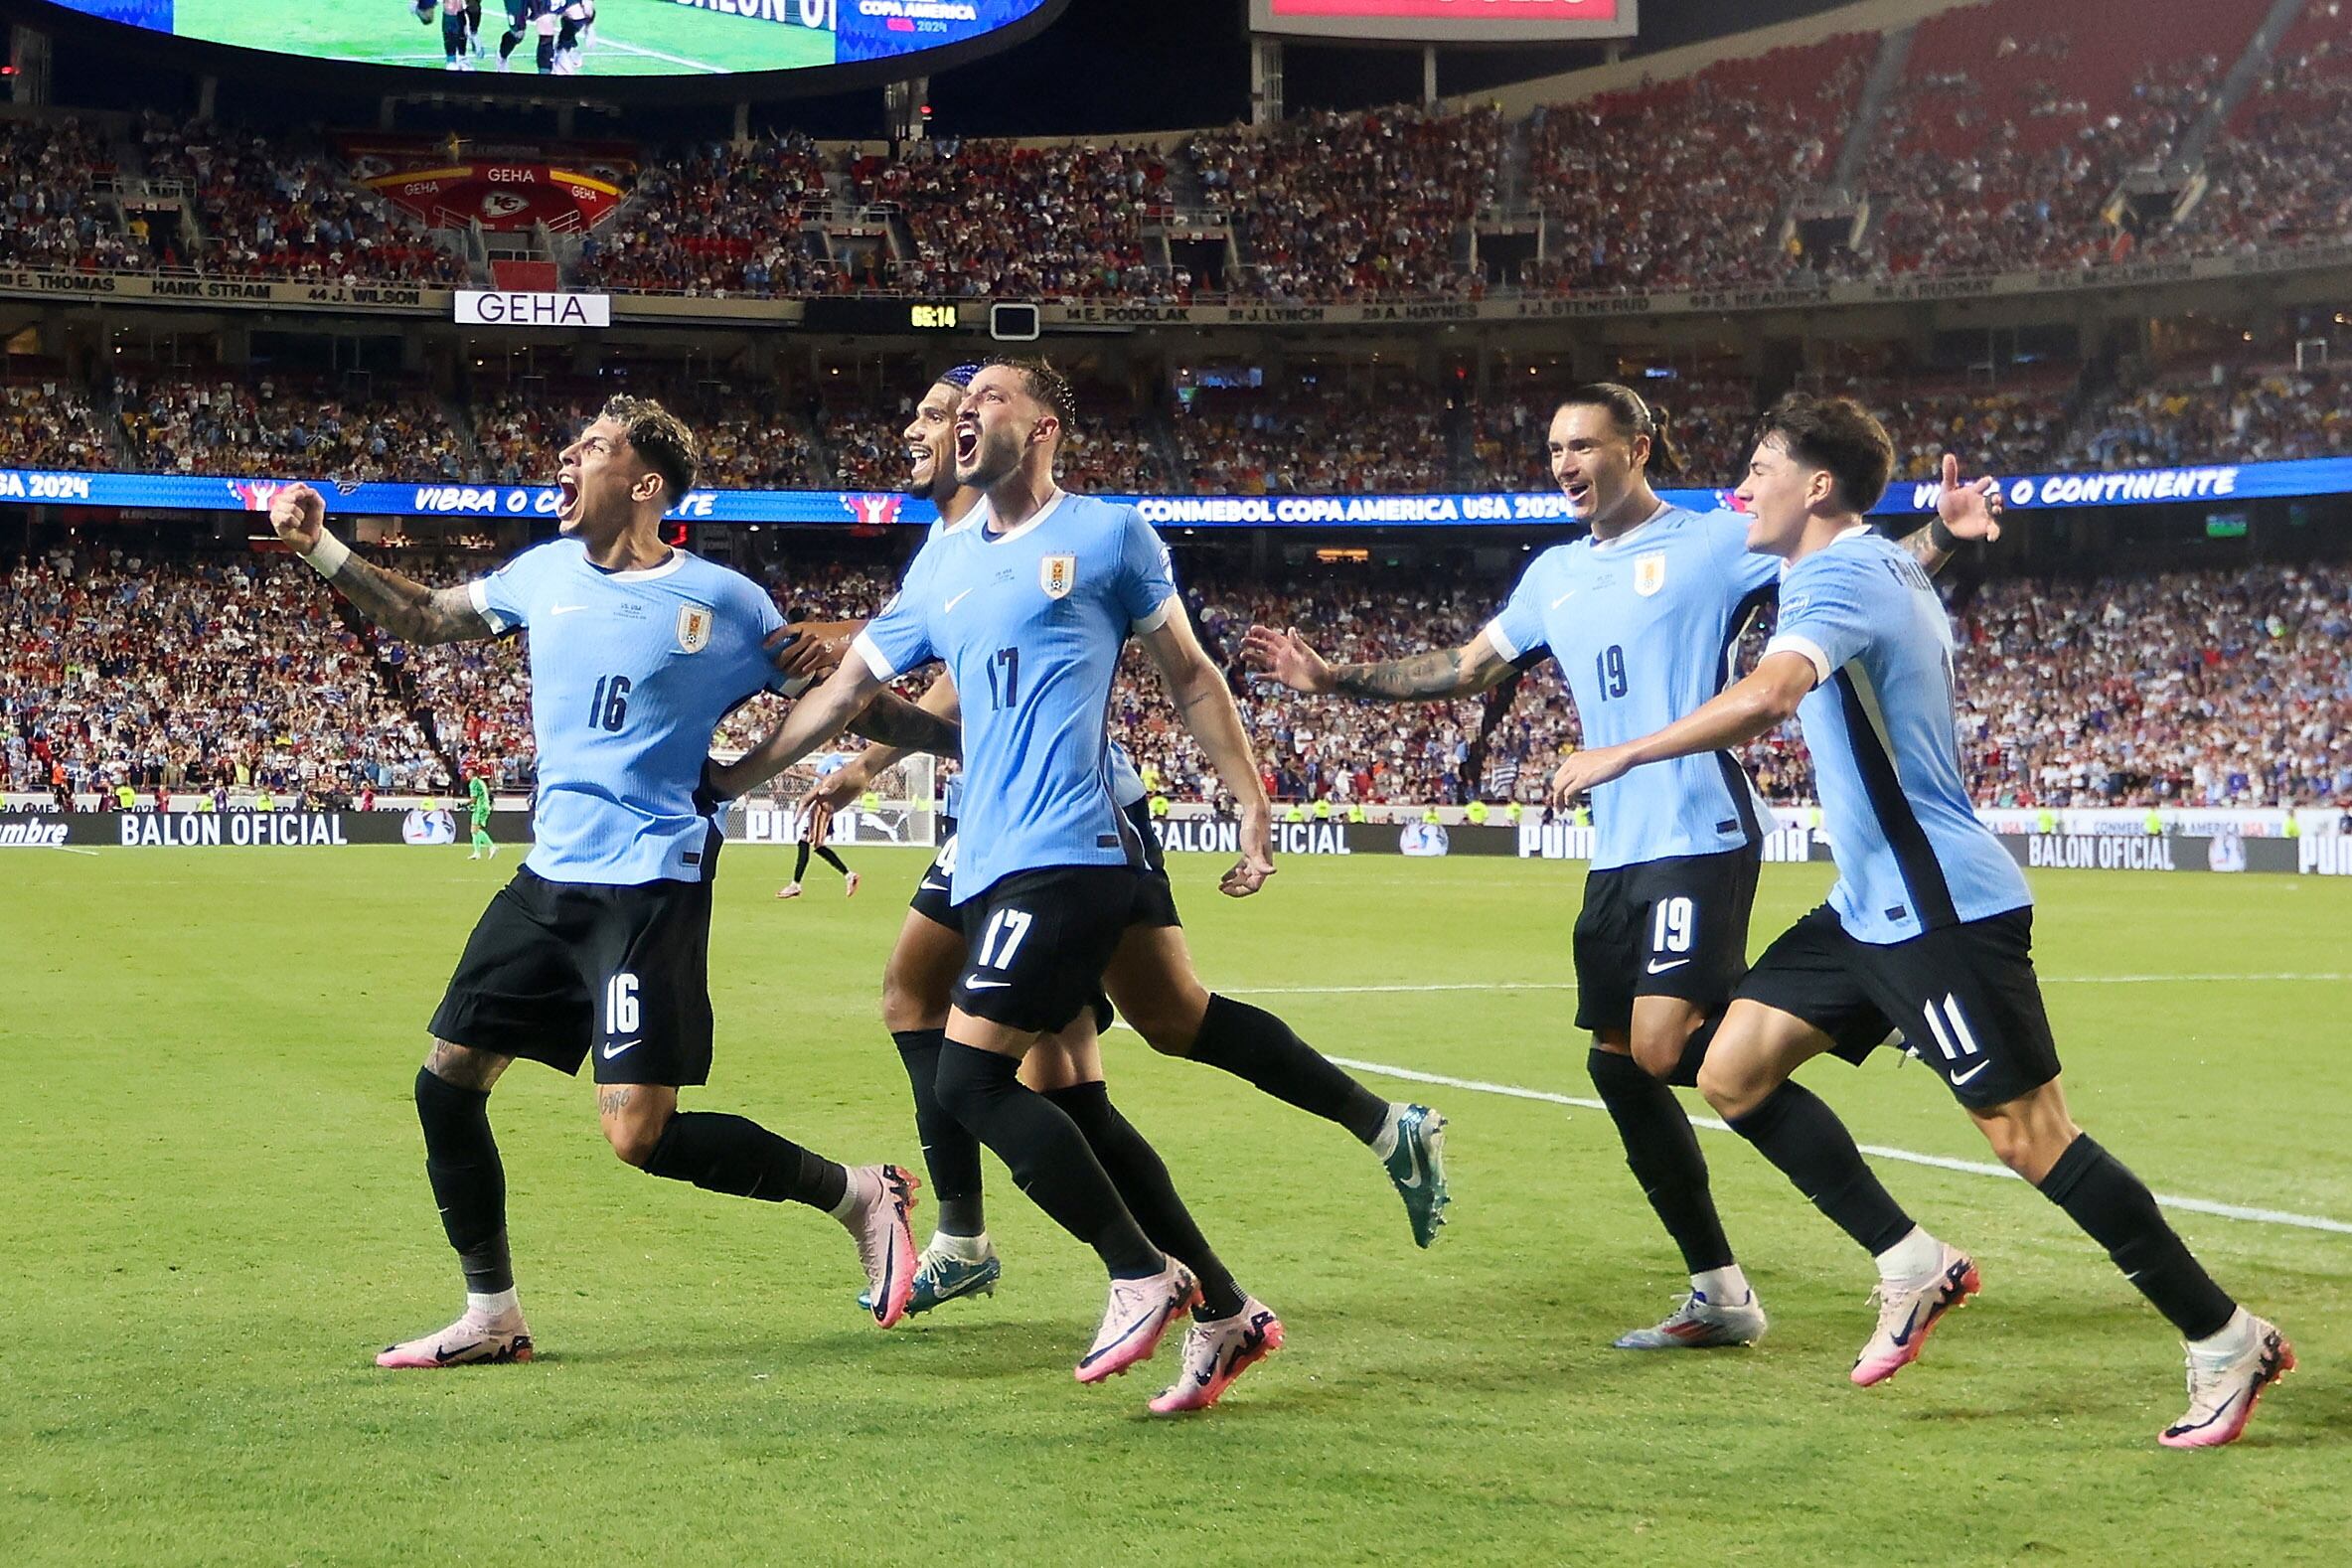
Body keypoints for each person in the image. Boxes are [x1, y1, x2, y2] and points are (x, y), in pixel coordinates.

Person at [1549, 393, 2291, 1448]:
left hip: (1938, 906)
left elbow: (1767, 696)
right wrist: (1943, 531)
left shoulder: (1841, 572)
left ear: (1816, 487)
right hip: (1867, 906)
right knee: (1731, 1069)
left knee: (2030, 1136)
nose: (1739, 488)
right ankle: (1912, 1263)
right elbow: (1884, 577)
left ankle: (2224, 1336)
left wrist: (1623, 750)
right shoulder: (1868, 561)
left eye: (1759, 468)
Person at [1245, 383, 1990, 1353]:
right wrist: (1335, 677)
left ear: (1638, 448)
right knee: (1620, 1065)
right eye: (1554, 447)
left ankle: (1870, 1049)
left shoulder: (1715, 541)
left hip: (1697, 827)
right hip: (1618, 855)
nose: (1563, 463)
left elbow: (1860, 571)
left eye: (1583, 445)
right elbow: (1470, 667)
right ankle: (1720, 1292)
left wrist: (1945, 532)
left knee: (1670, 1046)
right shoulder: (1553, 575)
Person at [264, 394, 961, 1368]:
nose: (566, 456)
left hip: (649, 889)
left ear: (643, 484)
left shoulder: (724, 604)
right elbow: (423, 618)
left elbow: (855, 704)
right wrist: (321, 548)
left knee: (640, 1135)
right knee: (445, 1086)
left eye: (590, 447)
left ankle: (858, 1193)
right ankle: (493, 1313)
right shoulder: (539, 574)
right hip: (549, 880)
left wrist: (965, 740)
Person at [783, 363, 1448, 1329]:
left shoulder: (1062, 533)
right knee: (1141, 1030)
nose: (923, 430)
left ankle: (1028, 1251)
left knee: (967, 1023)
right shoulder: (952, 548)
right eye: (928, 415)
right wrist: (854, 757)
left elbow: (972, 688)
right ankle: (1361, 1151)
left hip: (1071, 819)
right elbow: (944, 678)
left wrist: (860, 764)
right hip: (1008, 820)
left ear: (1024, 427)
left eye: (944, 412)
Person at [714, 360, 1294, 1414]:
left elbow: (1193, 677)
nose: (967, 411)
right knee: (1071, 1099)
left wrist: (1250, 802)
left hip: (1072, 848)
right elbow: (846, 693)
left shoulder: (1111, 536)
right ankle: (1225, 1311)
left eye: (989, 396)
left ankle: (1136, 1271)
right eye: (960, 399)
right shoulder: (943, 566)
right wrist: (732, 777)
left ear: (1045, 425)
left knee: (971, 1082)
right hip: (988, 858)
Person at [776, 784, 857, 900]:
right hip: (821, 805)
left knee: (804, 841)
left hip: (820, 807)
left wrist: (810, 773)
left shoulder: (831, 768)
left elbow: (833, 781)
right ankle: (849, 875)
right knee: (817, 845)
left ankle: (795, 885)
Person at [465, 767, 496, 861]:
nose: (466, 773)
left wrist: (464, 804)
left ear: (472, 773)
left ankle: (491, 846)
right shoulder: (481, 782)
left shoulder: (473, 783)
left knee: (475, 829)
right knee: (474, 830)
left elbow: (474, 799)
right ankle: (477, 852)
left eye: (468, 772)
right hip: (483, 806)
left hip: (480, 807)